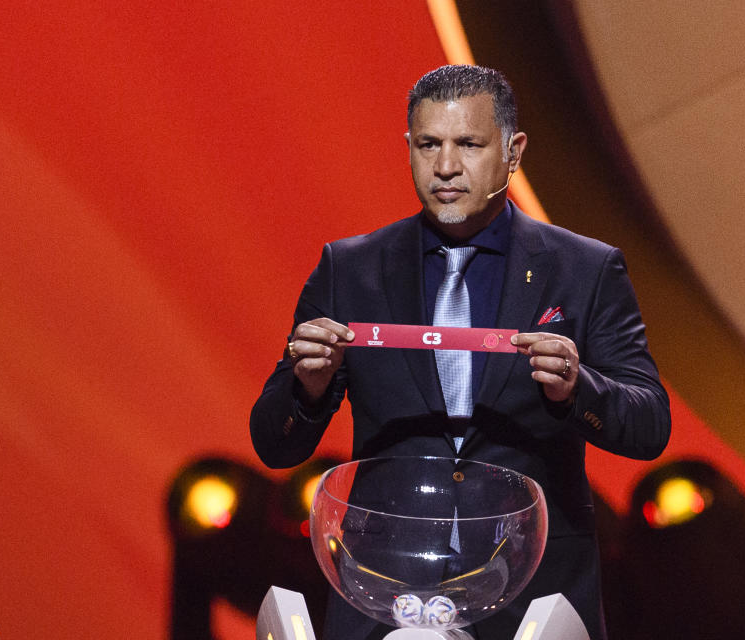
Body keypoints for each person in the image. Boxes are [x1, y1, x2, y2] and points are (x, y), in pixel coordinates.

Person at [251, 64, 670, 640]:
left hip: (532, 598)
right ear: (408, 148)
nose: (445, 167)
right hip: (380, 592)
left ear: (513, 151)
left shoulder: (586, 269)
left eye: (468, 144)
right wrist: (309, 388)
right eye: (428, 145)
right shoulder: (349, 268)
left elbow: (649, 424)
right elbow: (274, 443)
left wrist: (578, 390)